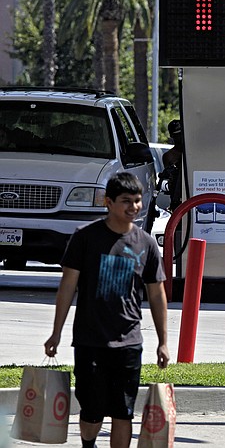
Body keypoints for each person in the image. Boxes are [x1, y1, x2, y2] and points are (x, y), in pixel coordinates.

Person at [44, 172, 169, 448]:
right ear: (108, 202)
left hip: (129, 342)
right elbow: (67, 287)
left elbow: (157, 294)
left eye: (137, 201)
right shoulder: (85, 238)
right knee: (92, 411)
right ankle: (89, 444)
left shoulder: (146, 244)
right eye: (126, 201)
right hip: (90, 341)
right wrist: (56, 333)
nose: (133, 207)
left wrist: (163, 342)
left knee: (123, 413)